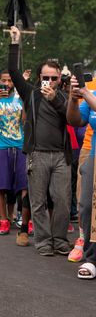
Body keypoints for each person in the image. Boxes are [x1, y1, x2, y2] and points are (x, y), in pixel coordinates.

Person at [8, 26, 71, 256]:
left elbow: (72, 117)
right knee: (38, 202)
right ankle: (44, 242)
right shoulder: (31, 94)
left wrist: (55, 99)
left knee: (63, 201)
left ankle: (61, 240)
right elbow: (13, 72)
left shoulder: (64, 96)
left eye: (54, 78)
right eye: (46, 77)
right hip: (38, 155)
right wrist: (15, 43)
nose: (50, 81)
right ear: (39, 78)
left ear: (59, 79)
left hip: (61, 157)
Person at [0, 70, 29, 244]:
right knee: (0, 186)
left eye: (10, 80)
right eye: (4, 80)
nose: (7, 83)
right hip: (1, 146)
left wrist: (24, 100)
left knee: (24, 185)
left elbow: (25, 121)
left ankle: (27, 221)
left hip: (20, 146)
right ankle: (4, 221)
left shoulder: (20, 98)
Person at [67, 75, 96, 278]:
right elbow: (74, 120)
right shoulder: (92, 92)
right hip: (94, 155)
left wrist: (85, 93)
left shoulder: (90, 94)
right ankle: (92, 258)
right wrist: (73, 99)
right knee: (87, 206)